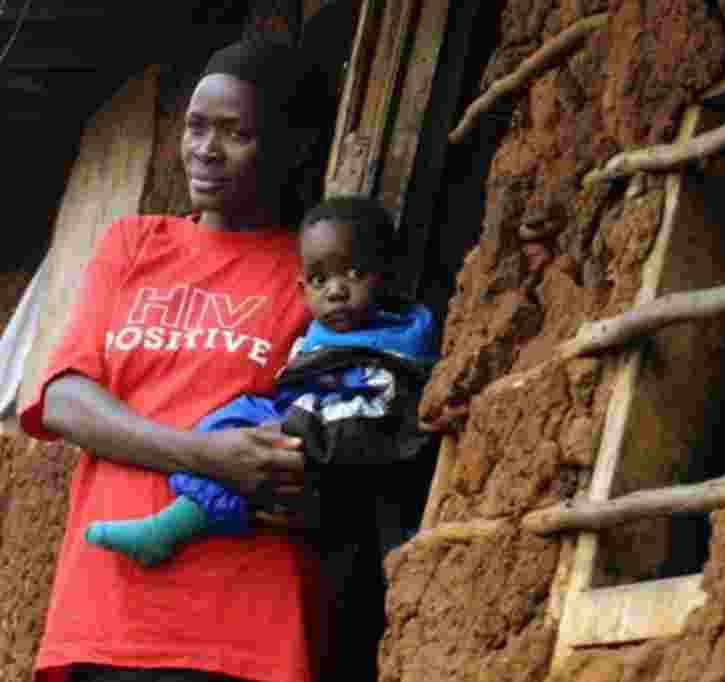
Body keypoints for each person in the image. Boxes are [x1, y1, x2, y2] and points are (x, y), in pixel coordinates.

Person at [19, 37, 326, 682]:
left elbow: (319, 427)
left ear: (292, 147)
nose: (205, 150)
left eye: (235, 132)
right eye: (195, 126)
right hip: (102, 608)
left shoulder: (312, 272)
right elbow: (64, 398)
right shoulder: (134, 244)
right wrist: (207, 455)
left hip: (236, 615)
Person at [83, 195, 438, 567]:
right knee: (232, 420)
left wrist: (290, 431)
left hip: (336, 449)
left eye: (354, 273)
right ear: (302, 290)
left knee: (254, 451)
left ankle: (171, 527)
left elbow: (374, 418)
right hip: (307, 425)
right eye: (320, 279)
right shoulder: (325, 332)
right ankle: (185, 513)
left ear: (388, 274)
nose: (335, 291)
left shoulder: (397, 344)